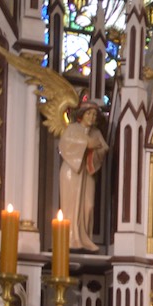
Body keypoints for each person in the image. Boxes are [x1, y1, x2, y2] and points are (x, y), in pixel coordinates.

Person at [59, 101, 109, 251]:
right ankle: (70, 238)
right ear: (82, 115)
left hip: (87, 171)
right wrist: (86, 144)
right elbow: (64, 144)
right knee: (70, 205)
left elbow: (104, 149)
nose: (92, 117)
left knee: (89, 206)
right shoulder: (72, 128)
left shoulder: (96, 133)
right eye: (89, 113)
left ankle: (85, 238)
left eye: (94, 115)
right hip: (71, 171)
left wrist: (95, 149)